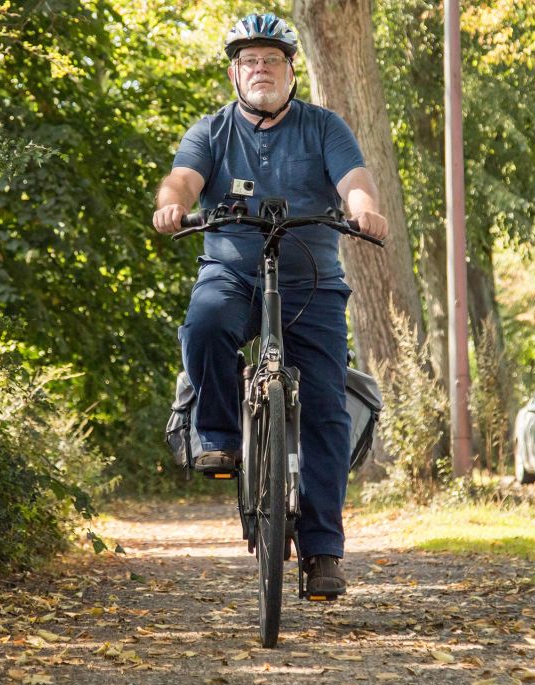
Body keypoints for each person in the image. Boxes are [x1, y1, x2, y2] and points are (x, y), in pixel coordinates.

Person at [153, 12, 388, 597]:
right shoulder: (211, 130)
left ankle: (322, 552)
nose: (261, 70)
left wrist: (363, 207)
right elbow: (182, 180)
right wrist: (172, 205)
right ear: (235, 72)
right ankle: (219, 436)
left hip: (311, 279)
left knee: (328, 409)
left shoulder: (323, 126)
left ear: (291, 71)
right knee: (204, 325)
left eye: (272, 61)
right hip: (231, 271)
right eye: (250, 61)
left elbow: (355, 179)